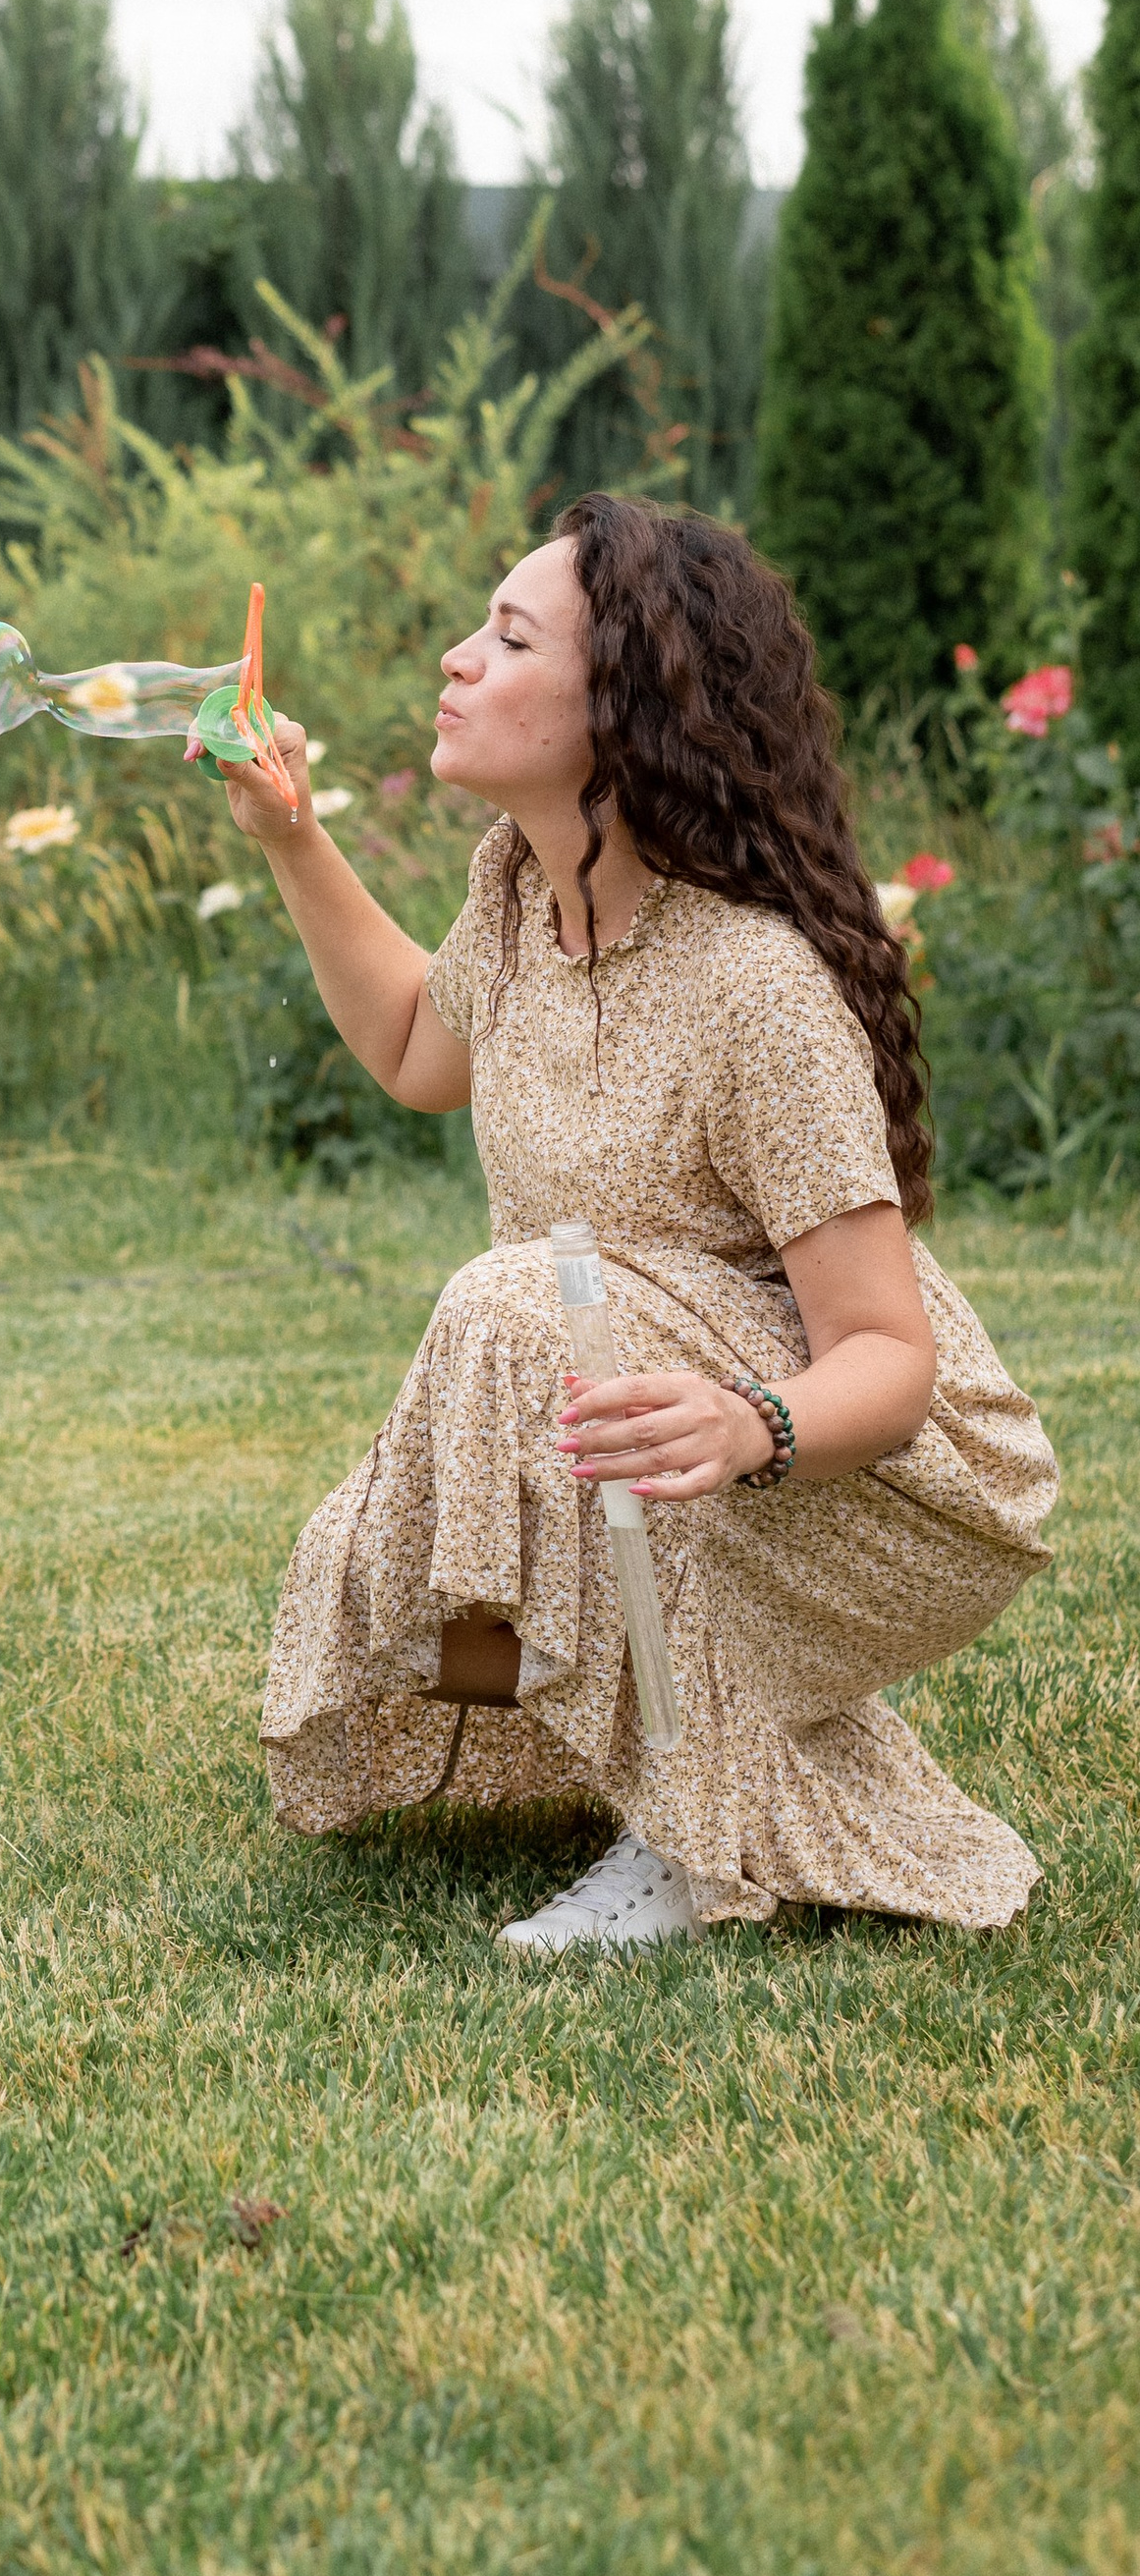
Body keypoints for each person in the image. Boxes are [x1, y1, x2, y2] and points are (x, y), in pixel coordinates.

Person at [219, 496, 1056, 1955]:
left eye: (508, 634)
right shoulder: (521, 898)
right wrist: (293, 840)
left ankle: (694, 1829)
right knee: (362, 1597)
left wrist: (751, 1430)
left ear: (624, 706)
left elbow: (887, 1356)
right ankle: (735, 1718)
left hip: (859, 1468)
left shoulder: (754, 988)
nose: (456, 655)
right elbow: (421, 1049)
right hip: (636, 1415)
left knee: (513, 1302)